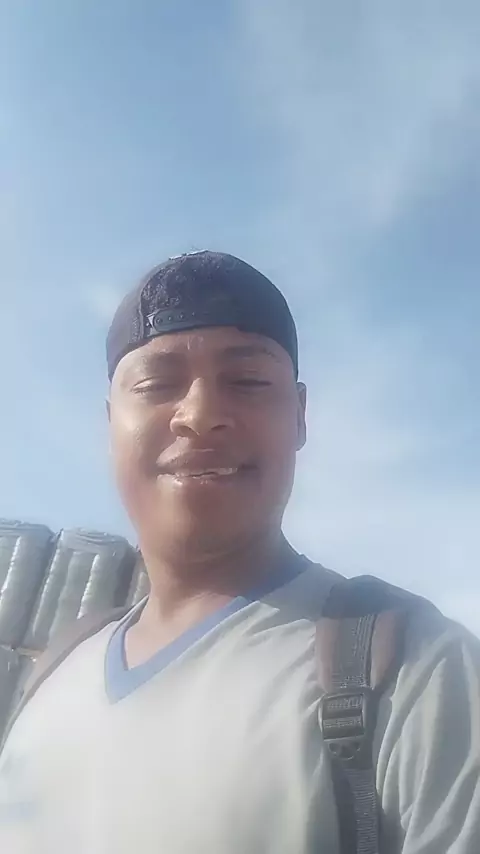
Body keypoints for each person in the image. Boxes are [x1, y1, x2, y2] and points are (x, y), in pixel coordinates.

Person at [0, 250, 479, 853]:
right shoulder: (54, 674)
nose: (199, 416)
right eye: (156, 385)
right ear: (111, 422)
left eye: (248, 381)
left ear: (299, 417)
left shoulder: (418, 674)